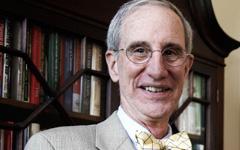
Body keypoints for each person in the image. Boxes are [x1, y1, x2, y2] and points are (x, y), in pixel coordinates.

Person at [25, 0, 194, 149]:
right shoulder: (51, 146)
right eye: (140, 51)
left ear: (186, 68)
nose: (157, 71)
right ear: (113, 66)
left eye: (171, 52)